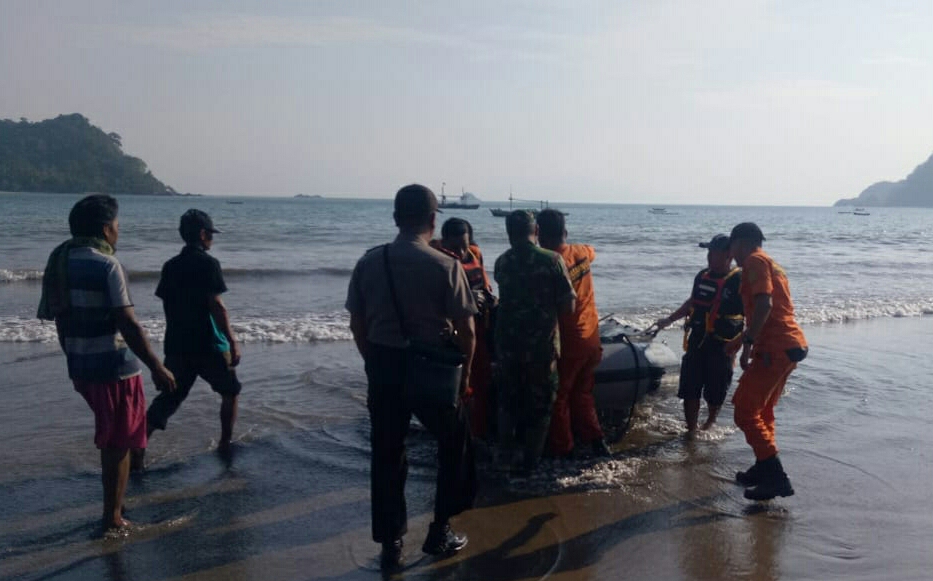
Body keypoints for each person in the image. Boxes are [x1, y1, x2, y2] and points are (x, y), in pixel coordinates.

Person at [346, 184, 478, 572]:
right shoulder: (445, 265)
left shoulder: (370, 262)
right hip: (433, 370)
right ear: (433, 220)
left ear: (394, 218)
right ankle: (440, 529)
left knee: (387, 454)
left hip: (384, 366)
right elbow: (467, 330)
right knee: (455, 445)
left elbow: (357, 323)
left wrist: (374, 361)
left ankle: (391, 543)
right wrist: (465, 374)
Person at [37, 194, 176, 531]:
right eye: (116, 225)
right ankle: (113, 518)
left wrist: (72, 357)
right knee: (118, 442)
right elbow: (127, 323)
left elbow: (59, 318)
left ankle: (114, 507)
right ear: (105, 229)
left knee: (113, 435)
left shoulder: (60, 261)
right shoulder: (107, 265)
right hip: (115, 369)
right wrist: (157, 365)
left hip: (81, 366)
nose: (119, 231)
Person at [142, 209, 242, 461]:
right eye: (210, 234)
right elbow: (216, 306)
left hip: (177, 345)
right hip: (210, 344)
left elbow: (167, 304)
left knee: (168, 399)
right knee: (230, 391)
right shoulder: (209, 264)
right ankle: (225, 442)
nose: (212, 239)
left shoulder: (170, 266)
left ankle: (137, 448)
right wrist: (232, 339)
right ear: (202, 234)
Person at [727, 222, 808, 501]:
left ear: (741, 242)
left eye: (731, 246)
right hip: (789, 344)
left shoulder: (753, 261)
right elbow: (768, 312)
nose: (731, 254)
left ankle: (776, 477)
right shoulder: (771, 263)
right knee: (762, 411)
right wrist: (741, 340)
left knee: (744, 410)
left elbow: (764, 305)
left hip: (774, 348)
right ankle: (764, 467)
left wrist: (747, 346)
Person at [494, 210, 576, 474]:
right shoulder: (552, 260)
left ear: (508, 234)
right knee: (540, 405)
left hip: (507, 345)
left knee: (509, 402)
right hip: (541, 347)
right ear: (537, 231)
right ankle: (531, 464)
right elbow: (568, 306)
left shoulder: (502, 262)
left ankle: (504, 457)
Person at [536, 209, 610, 458]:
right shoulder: (582, 253)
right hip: (592, 338)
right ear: (565, 232)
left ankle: (563, 449)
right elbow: (592, 250)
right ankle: (596, 440)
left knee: (560, 397)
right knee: (583, 393)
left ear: (538, 235)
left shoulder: (550, 264)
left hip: (570, 343)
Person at [655, 234, 744, 433]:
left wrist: (743, 346)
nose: (710, 256)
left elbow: (752, 315)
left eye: (714, 252)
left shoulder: (739, 280)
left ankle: (710, 422)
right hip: (697, 341)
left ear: (728, 255)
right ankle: (692, 429)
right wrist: (669, 320)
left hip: (722, 346)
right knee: (689, 388)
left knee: (715, 391)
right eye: (709, 252)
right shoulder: (702, 276)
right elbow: (692, 303)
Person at [431, 218, 497, 439]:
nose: (460, 250)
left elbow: (485, 286)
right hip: (452, 330)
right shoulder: (437, 259)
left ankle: (479, 431)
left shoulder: (475, 253)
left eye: (464, 245)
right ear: (444, 240)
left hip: (478, 325)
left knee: (482, 378)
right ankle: (456, 432)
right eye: (455, 246)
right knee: (456, 382)